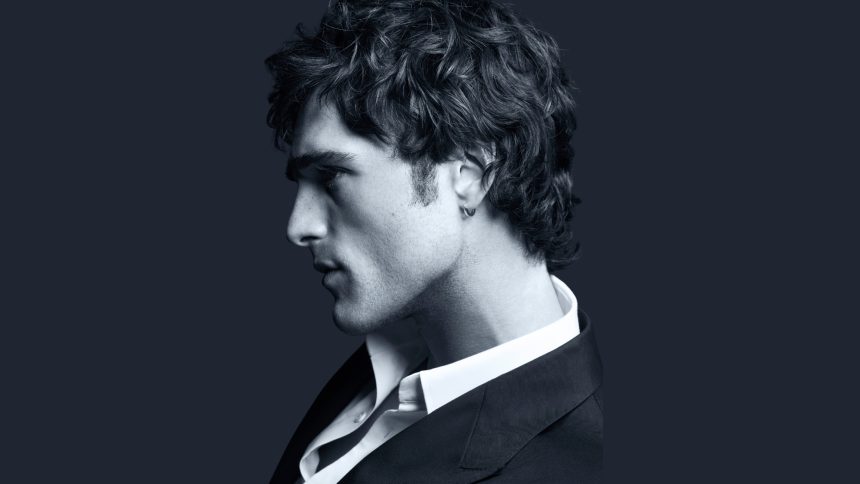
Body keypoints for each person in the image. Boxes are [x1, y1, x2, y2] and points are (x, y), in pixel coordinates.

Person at [265, 1, 602, 482]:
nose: (298, 226)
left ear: (469, 174)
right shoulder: (384, 360)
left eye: (332, 176)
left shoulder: (574, 464)